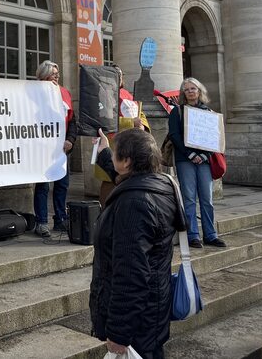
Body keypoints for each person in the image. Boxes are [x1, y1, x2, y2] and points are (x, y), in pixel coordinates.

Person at [89, 128, 180, 359]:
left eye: (115, 153)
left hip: (137, 321)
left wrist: (120, 332)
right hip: (152, 309)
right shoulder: (159, 184)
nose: (112, 157)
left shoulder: (134, 203)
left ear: (127, 161)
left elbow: (131, 273)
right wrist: (104, 151)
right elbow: (125, 180)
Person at [167, 77, 226, 249]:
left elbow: (213, 137)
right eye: (187, 89)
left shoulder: (208, 112)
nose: (191, 92)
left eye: (193, 88)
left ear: (200, 91)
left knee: (207, 199)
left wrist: (205, 156)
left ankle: (210, 234)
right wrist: (191, 154)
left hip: (205, 161)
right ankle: (193, 235)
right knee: (189, 198)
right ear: (183, 93)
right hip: (185, 159)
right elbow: (174, 136)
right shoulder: (177, 112)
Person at [31, 60, 78, 237]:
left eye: (57, 73)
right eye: (53, 73)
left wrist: (70, 140)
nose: (57, 76)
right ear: (43, 77)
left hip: (61, 150)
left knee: (62, 185)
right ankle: (41, 222)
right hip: (42, 149)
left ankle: (60, 219)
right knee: (42, 186)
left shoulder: (64, 93)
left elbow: (73, 121)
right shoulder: (33, 94)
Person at [95, 62, 150, 207]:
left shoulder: (128, 94)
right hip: (112, 143)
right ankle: (105, 212)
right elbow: (104, 119)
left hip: (132, 143)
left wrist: (143, 125)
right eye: (114, 74)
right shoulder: (103, 94)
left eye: (120, 75)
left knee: (127, 176)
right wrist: (130, 122)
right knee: (110, 179)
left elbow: (140, 113)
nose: (118, 77)